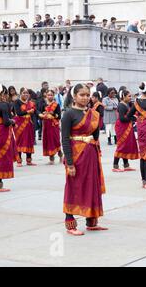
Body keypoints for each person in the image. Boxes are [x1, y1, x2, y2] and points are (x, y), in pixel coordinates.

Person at [61, 83, 107, 236]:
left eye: (88, 95)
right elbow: (65, 139)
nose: (85, 97)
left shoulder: (92, 113)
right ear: (74, 96)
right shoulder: (68, 114)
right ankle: (70, 222)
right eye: (82, 95)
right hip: (76, 154)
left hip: (91, 154)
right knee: (74, 186)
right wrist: (69, 162)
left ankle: (91, 221)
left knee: (92, 185)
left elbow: (95, 135)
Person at [112, 89, 139, 172]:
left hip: (126, 126)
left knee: (125, 145)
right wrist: (133, 118)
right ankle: (115, 166)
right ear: (123, 96)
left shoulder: (125, 104)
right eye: (129, 96)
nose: (130, 97)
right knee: (121, 146)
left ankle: (126, 165)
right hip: (122, 127)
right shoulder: (121, 105)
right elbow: (122, 118)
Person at [14, 87, 37, 167]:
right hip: (20, 124)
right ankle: (19, 160)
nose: (25, 94)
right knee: (19, 141)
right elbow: (19, 113)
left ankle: (29, 160)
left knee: (29, 140)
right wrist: (28, 111)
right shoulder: (17, 102)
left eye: (27, 93)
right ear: (20, 93)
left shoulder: (31, 103)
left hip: (29, 124)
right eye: (23, 93)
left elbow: (35, 113)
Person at [39, 89, 63, 164]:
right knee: (48, 141)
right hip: (46, 125)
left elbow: (59, 116)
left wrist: (52, 114)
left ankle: (60, 154)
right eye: (48, 95)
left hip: (53, 125)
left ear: (53, 96)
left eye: (51, 95)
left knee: (55, 141)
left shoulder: (56, 104)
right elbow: (40, 114)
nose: (50, 96)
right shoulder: (44, 104)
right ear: (46, 95)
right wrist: (43, 114)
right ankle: (51, 159)